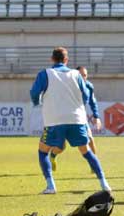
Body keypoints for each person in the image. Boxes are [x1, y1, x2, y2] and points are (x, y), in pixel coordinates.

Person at [30, 47, 110, 195]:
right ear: (66, 60)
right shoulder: (76, 74)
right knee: (86, 151)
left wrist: (36, 101)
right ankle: (104, 183)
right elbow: (86, 95)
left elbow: (34, 93)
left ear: (52, 59)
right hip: (76, 119)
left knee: (43, 151)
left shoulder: (44, 74)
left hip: (54, 120)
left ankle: (51, 186)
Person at [48, 66, 101, 172]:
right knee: (61, 147)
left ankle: (94, 166)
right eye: (81, 75)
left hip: (79, 117)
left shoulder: (89, 86)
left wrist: (96, 116)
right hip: (63, 118)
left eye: (85, 75)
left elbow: (92, 101)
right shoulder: (67, 85)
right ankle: (52, 156)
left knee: (90, 140)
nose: (83, 77)